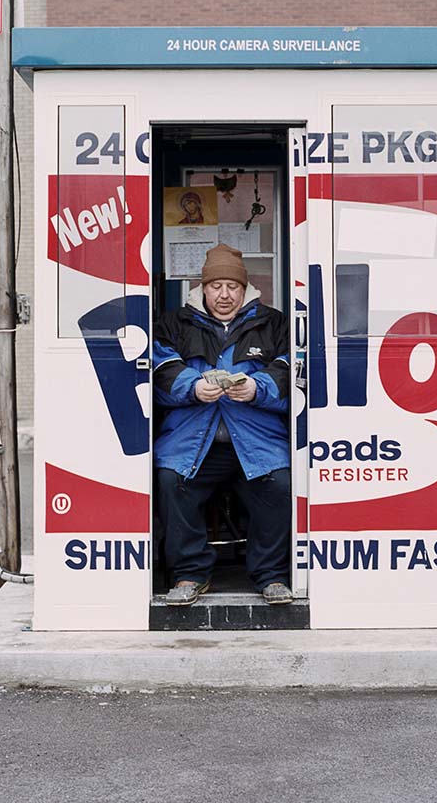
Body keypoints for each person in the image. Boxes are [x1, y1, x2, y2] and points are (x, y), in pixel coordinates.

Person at [153, 243, 292, 606]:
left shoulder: (274, 322)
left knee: (280, 485)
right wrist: (193, 387)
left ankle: (271, 575)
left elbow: (290, 369)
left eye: (233, 286)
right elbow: (160, 369)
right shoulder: (173, 323)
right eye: (216, 286)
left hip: (256, 441)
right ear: (202, 288)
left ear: (246, 289)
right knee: (171, 482)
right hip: (192, 441)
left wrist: (257, 388)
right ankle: (190, 573)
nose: (225, 294)